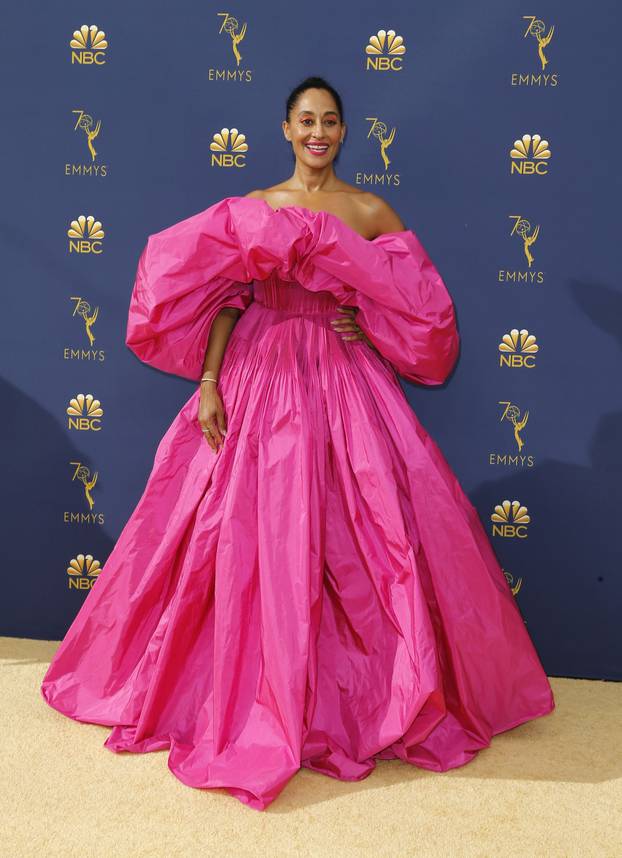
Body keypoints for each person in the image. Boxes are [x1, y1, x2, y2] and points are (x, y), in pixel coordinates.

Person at [40, 76, 555, 812]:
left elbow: (420, 310)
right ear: (285, 128)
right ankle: (248, 696)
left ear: (346, 132)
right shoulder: (253, 209)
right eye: (306, 120)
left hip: (343, 381)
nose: (319, 132)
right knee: (241, 531)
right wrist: (211, 380)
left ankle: (364, 701)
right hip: (258, 373)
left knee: (363, 534)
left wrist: (365, 322)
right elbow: (229, 300)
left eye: (332, 121)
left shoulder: (371, 209)